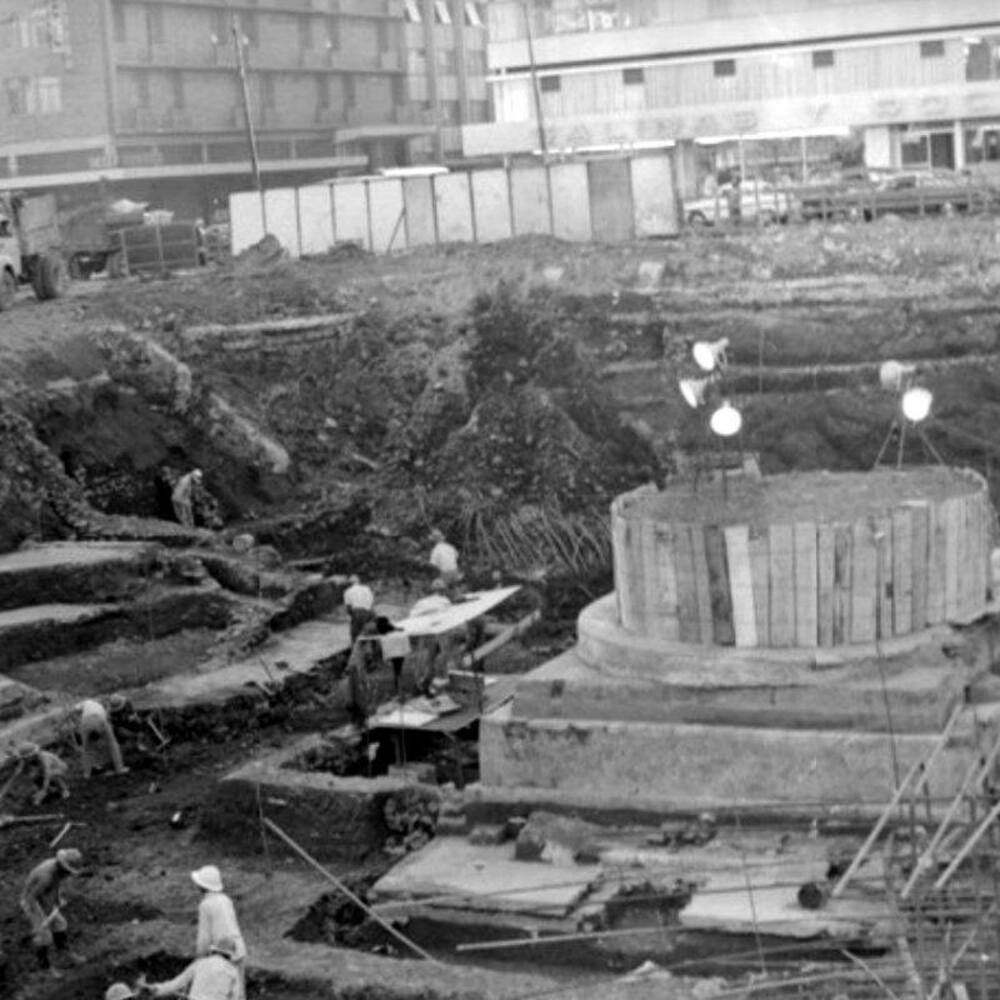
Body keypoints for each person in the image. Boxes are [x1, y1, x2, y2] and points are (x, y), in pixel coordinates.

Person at [21, 847, 84, 976]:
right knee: (45, 936)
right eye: (69, 871)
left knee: (60, 924)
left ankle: (64, 953)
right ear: (63, 867)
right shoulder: (46, 876)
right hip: (31, 902)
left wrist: (57, 900)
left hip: (44, 896)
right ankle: (44, 967)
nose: (69, 875)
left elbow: (55, 885)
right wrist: (42, 918)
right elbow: (31, 898)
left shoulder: (56, 871)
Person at [191, 865, 247, 1000]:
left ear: (202, 886)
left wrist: (200, 957)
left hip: (223, 953)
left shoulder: (206, 905)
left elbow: (204, 938)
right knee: (238, 992)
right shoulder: (225, 900)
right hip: (238, 948)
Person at [137, 936, 241, 1000]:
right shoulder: (233, 971)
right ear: (230, 955)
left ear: (214, 950)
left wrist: (156, 988)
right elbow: (235, 998)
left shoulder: (200, 963)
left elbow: (177, 984)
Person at [74, 695, 130, 779]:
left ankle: (87, 774)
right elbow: (108, 719)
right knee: (113, 744)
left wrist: (77, 720)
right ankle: (119, 769)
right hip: (100, 720)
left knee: (86, 749)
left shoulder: (86, 703)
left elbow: (74, 709)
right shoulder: (101, 707)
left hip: (85, 722)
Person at [343, 573, 376, 643]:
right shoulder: (366, 588)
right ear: (359, 581)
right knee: (371, 632)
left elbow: (348, 608)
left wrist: (353, 617)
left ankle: (356, 649)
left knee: (355, 634)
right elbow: (372, 602)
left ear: (350, 583)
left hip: (358, 612)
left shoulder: (347, 592)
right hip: (370, 612)